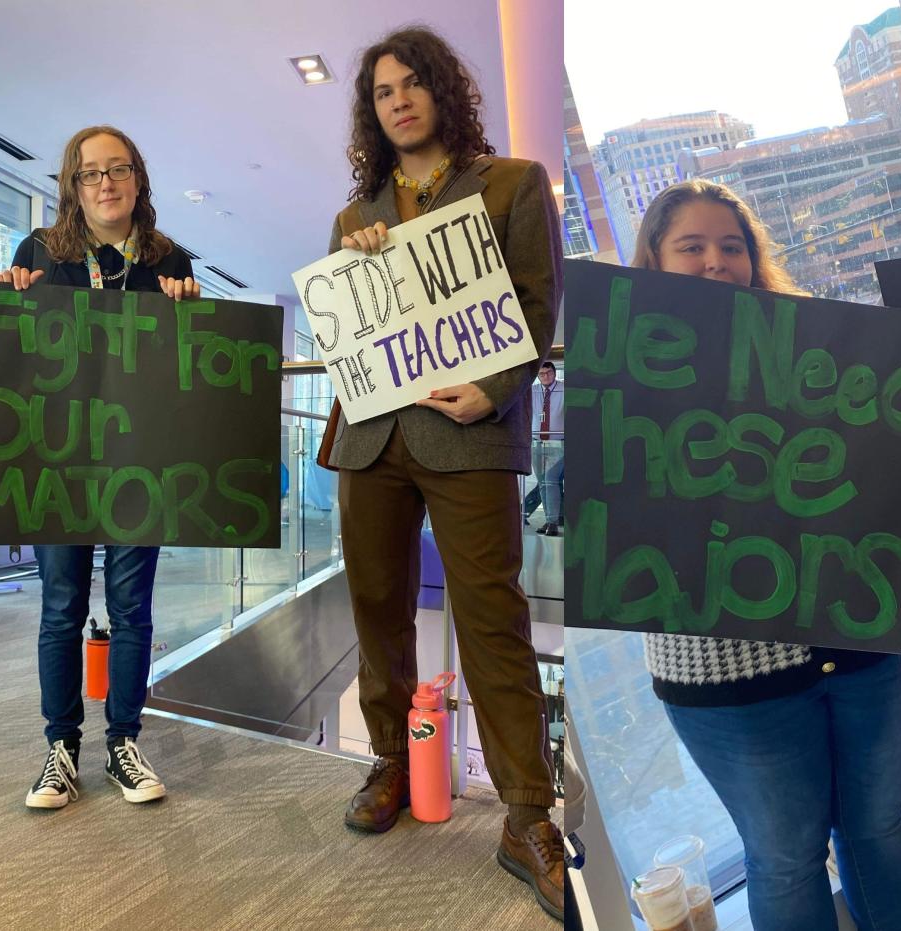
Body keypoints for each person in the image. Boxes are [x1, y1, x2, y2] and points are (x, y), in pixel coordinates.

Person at [630, 180, 901, 931]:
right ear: (654, 262)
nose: (715, 262)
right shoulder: (622, 378)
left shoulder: (819, 357)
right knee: (785, 856)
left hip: (855, 642)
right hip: (730, 676)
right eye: (690, 247)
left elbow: (879, 477)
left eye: (732, 246)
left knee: (879, 824)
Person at [314, 27, 564, 920]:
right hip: (374, 441)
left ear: (442, 93)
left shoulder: (511, 184)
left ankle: (528, 812)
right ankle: (389, 761)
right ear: (372, 114)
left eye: (413, 84)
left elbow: (537, 308)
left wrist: (494, 388)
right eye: (383, 92)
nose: (399, 100)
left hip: (468, 434)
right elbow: (345, 325)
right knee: (377, 606)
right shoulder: (357, 216)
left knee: (493, 617)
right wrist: (359, 265)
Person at [0, 125, 199, 810]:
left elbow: (191, 373)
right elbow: (15, 362)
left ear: (138, 179)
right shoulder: (38, 255)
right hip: (59, 459)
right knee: (60, 607)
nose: (105, 183)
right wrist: (8, 300)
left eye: (118, 169)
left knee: (133, 609)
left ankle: (122, 743)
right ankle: (60, 749)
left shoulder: (171, 261)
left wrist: (192, 315)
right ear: (72, 187)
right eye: (90, 173)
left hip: (140, 462)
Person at [525, 360, 564, 535]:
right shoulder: (532, 391)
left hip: (559, 443)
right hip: (536, 442)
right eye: (541, 374)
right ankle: (549, 521)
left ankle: (553, 522)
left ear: (554, 373)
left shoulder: (564, 390)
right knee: (542, 483)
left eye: (548, 373)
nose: (545, 376)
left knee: (550, 481)